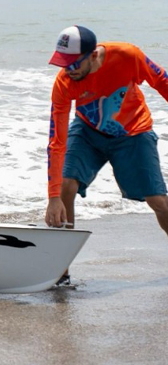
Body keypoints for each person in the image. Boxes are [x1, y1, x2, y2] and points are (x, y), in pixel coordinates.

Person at [45, 25, 168, 280]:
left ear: (92, 55)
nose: (69, 71)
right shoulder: (65, 82)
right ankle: (60, 271)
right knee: (66, 186)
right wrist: (53, 197)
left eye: (73, 64)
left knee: (159, 203)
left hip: (133, 132)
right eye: (63, 65)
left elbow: (162, 81)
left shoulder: (127, 56)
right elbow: (57, 142)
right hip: (88, 131)